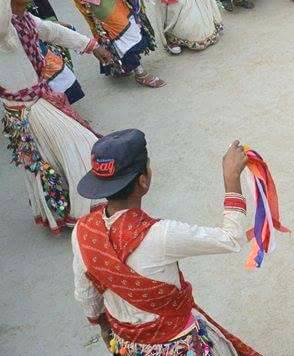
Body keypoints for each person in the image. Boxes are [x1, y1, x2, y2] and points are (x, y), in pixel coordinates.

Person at [71, 131, 261, 356]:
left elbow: (87, 296)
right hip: (180, 346)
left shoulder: (82, 231)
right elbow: (231, 238)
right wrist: (231, 177)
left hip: (127, 347)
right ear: (144, 181)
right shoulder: (160, 235)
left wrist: (104, 326)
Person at [1, 0, 114, 233]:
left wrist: (91, 45)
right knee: (81, 141)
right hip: (25, 108)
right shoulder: (5, 33)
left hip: (37, 100)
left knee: (54, 156)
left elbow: (54, 32)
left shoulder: (24, 20)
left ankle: (70, 208)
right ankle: (86, 208)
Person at [1, 0, 85, 103]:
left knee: (58, 67)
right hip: (27, 35)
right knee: (47, 72)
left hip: (40, 22)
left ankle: (61, 105)